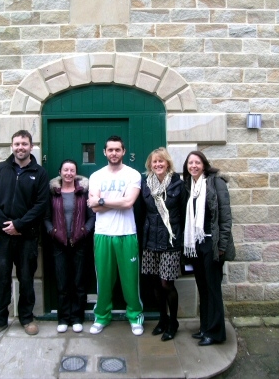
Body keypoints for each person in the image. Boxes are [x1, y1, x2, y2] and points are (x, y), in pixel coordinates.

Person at [0, 130, 50, 339]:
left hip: (27, 235)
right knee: (0, 278)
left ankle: (27, 318)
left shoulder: (39, 173)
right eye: (17, 144)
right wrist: (6, 224)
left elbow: (41, 205)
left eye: (24, 144)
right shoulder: (0, 169)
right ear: (12, 146)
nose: (20, 147)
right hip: (2, 235)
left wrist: (19, 224)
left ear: (31, 146)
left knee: (26, 278)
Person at [87, 135, 144, 336]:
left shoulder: (133, 174)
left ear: (123, 152)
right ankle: (101, 316)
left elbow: (129, 203)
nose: (113, 153)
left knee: (130, 281)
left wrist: (101, 201)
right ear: (104, 152)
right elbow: (93, 207)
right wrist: (111, 201)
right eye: (110, 150)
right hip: (102, 234)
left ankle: (135, 316)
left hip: (127, 233)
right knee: (103, 280)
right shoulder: (96, 176)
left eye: (117, 150)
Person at [182, 151, 236, 346]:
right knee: (203, 288)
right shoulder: (191, 186)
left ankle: (215, 333)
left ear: (204, 165)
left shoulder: (216, 183)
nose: (193, 166)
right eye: (190, 163)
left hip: (212, 244)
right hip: (196, 244)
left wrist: (221, 246)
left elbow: (225, 216)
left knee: (213, 289)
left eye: (197, 162)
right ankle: (205, 327)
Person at [141, 147, 187, 341]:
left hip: (171, 239)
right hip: (151, 238)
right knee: (155, 284)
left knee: (166, 283)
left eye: (161, 161)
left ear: (167, 163)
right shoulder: (146, 184)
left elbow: (185, 214)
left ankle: (173, 322)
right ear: (150, 165)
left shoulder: (178, 184)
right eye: (154, 162)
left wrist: (183, 239)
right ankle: (162, 319)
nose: (158, 165)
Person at [44, 159, 95, 333]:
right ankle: (63, 318)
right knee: (62, 284)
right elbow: (46, 218)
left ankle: (77, 317)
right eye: (65, 170)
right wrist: (53, 232)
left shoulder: (82, 193)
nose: (68, 173)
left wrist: (84, 231)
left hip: (79, 243)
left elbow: (92, 217)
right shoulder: (53, 193)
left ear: (76, 173)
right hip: (58, 244)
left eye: (72, 170)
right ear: (60, 172)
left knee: (79, 283)